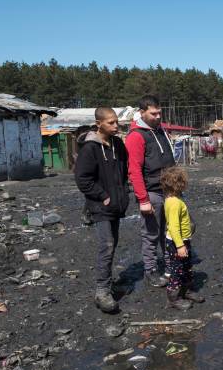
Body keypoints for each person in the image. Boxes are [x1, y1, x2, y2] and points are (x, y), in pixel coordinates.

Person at [74, 107, 129, 313]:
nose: (116, 126)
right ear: (99, 124)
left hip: (116, 204)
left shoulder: (117, 144)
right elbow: (83, 179)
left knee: (112, 244)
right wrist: (103, 196)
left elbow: (124, 170)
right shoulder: (90, 148)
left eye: (116, 122)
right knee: (106, 245)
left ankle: (108, 284)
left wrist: (124, 192)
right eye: (111, 123)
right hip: (100, 206)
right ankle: (102, 291)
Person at [126, 95, 176, 288]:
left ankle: (171, 266)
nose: (157, 116)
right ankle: (151, 271)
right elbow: (134, 170)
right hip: (152, 192)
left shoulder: (160, 131)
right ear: (142, 112)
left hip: (170, 191)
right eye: (153, 113)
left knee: (171, 231)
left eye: (159, 112)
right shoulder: (136, 136)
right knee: (151, 233)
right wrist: (143, 199)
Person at [160, 167, 204, 310]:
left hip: (182, 240)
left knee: (186, 267)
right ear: (179, 184)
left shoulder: (175, 199)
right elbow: (173, 227)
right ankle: (173, 298)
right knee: (176, 270)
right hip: (175, 242)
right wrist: (179, 246)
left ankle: (187, 291)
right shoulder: (173, 202)